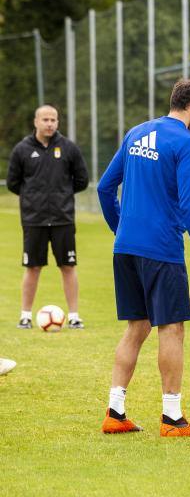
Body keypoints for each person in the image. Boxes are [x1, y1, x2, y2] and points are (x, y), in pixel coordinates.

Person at [97, 79, 190, 437]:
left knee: (136, 327)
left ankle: (115, 412)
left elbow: (105, 188)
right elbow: (189, 206)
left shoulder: (137, 132)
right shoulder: (187, 143)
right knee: (172, 328)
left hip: (125, 248)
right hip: (161, 250)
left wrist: (120, 229)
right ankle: (172, 418)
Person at [6, 105, 88, 330]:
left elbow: (82, 179)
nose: (50, 123)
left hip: (63, 218)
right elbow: (13, 182)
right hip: (34, 220)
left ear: (58, 122)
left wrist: (61, 194)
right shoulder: (22, 149)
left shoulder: (68, 148)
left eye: (53, 119)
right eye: (45, 119)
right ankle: (25, 316)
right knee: (32, 267)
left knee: (68, 266)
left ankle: (74, 316)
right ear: (36, 122)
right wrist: (33, 198)